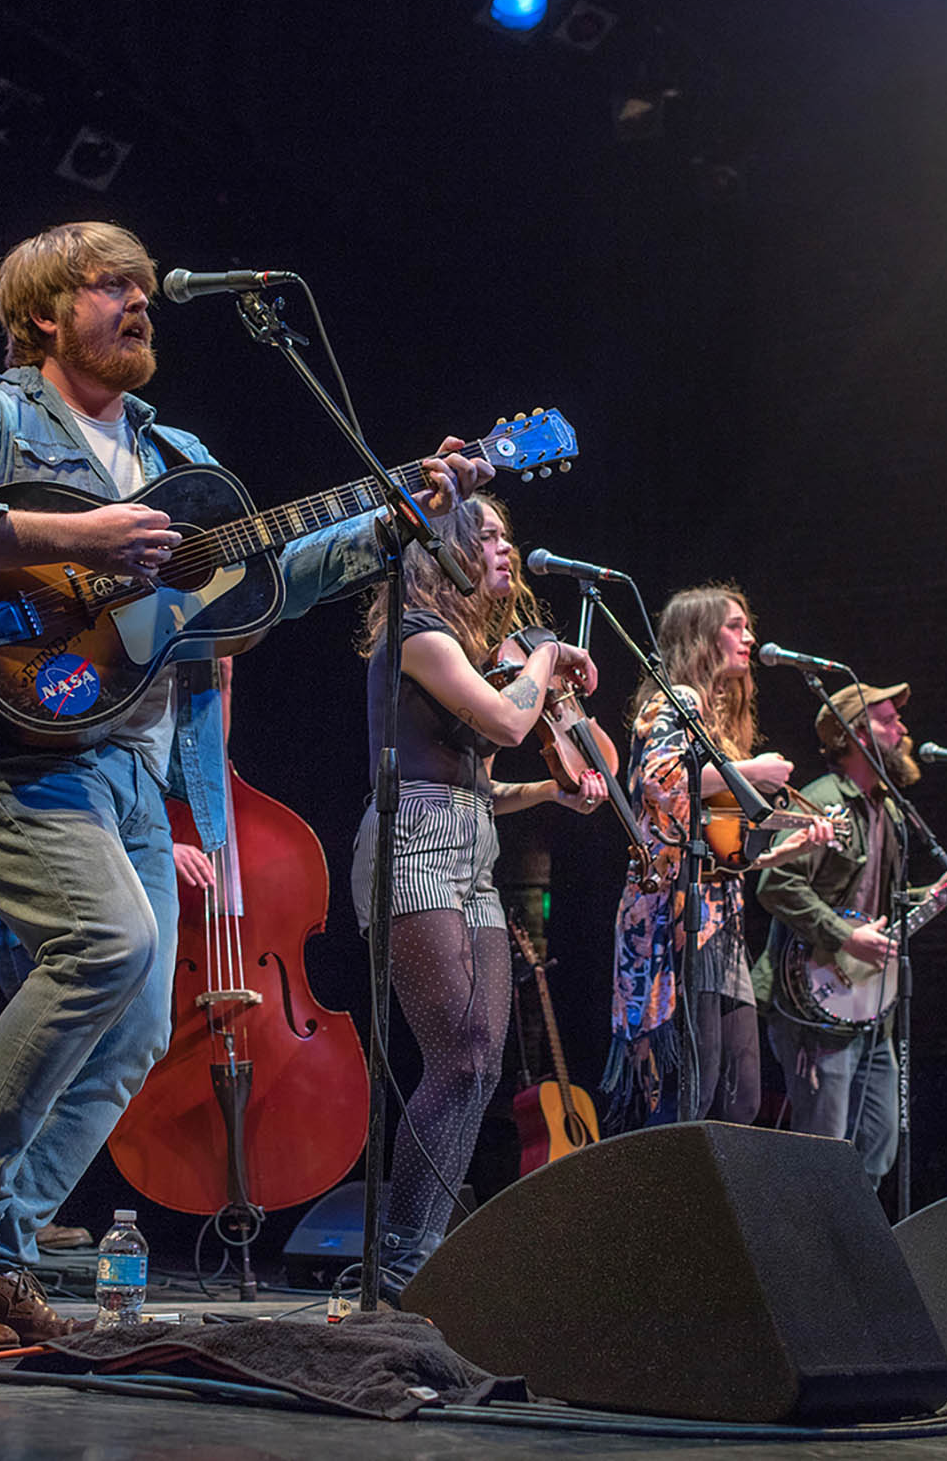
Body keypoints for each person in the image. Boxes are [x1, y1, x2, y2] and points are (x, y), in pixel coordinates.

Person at [0, 220, 490, 1348]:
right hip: (5, 746)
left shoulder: (175, 459)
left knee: (142, 1024)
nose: (138, 301)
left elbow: (260, 592)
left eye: (143, 287)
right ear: (45, 313)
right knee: (111, 947)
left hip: (132, 765)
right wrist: (82, 531)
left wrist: (393, 521)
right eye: (108, 286)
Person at [347, 494, 604, 1300]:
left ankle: (417, 1246)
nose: (501, 547)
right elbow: (502, 720)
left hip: (469, 844)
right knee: (454, 1054)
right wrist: (544, 654)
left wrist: (550, 797)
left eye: (504, 534)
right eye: (484, 535)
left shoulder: (469, 648)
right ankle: (398, 1251)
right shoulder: (417, 636)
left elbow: (484, 783)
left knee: (483, 1059)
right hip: (411, 840)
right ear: (446, 550)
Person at [603, 586, 830, 1129]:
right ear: (701, 636)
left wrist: (783, 848)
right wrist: (751, 772)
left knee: (742, 1097)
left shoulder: (719, 727)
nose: (748, 637)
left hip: (719, 926)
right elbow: (657, 781)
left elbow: (720, 853)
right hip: (674, 923)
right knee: (689, 1094)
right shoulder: (677, 698)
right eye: (735, 625)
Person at [753, 680, 947, 1186]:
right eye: (887, 721)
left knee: (878, 1147)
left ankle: (853, 1258)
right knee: (824, 1156)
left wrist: (940, 892)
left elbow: (882, 908)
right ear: (855, 734)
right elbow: (775, 883)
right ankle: (806, 1264)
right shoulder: (821, 803)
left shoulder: (892, 812)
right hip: (813, 1004)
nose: (902, 730)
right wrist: (842, 936)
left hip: (868, 1008)